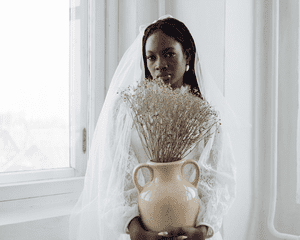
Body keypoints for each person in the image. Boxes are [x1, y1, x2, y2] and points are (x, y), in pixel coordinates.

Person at [69, 15, 237, 240]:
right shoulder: (126, 111)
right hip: (142, 231)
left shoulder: (204, 113)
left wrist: (203, 228)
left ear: (187, 54)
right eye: (151, 57)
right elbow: (113, 174)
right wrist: (136, 229)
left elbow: (219, 176)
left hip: (191, 229)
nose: (160, 65)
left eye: (169, 54)